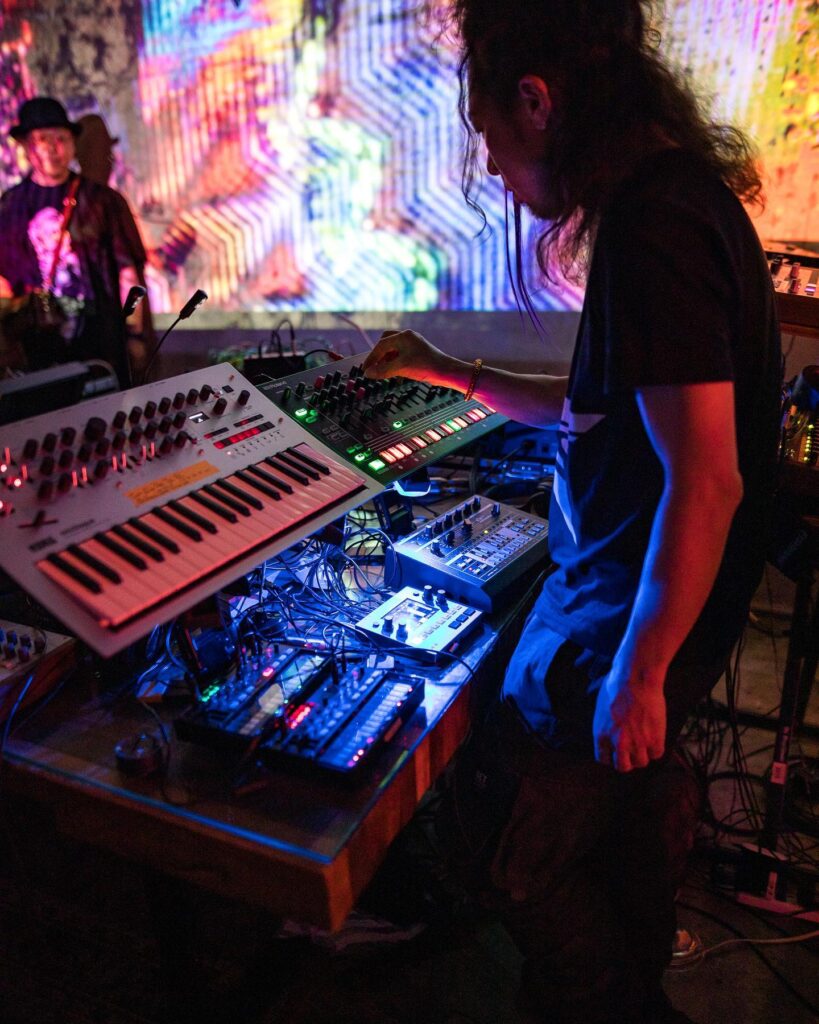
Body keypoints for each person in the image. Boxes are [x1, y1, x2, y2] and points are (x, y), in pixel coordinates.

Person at [362, 2, 782, 1022]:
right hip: (633, 620)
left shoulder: (656, 228)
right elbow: (599, 410)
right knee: (621, 849)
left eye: (487, 135)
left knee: (504, 844)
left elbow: (707, 480)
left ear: (536, 102)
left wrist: (637, 670)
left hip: (615, 630)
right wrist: (448, 369)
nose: (492, 168)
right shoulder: (672, 200)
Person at [0, 97, 146, 385]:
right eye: (43, 139)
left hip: (99, 343)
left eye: (61, 139)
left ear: (72, 144)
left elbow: (127, 273)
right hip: (34, 349)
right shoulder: (10, 206)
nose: (53, 148)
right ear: (26, 146)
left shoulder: (103, 201)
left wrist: (135, 335)